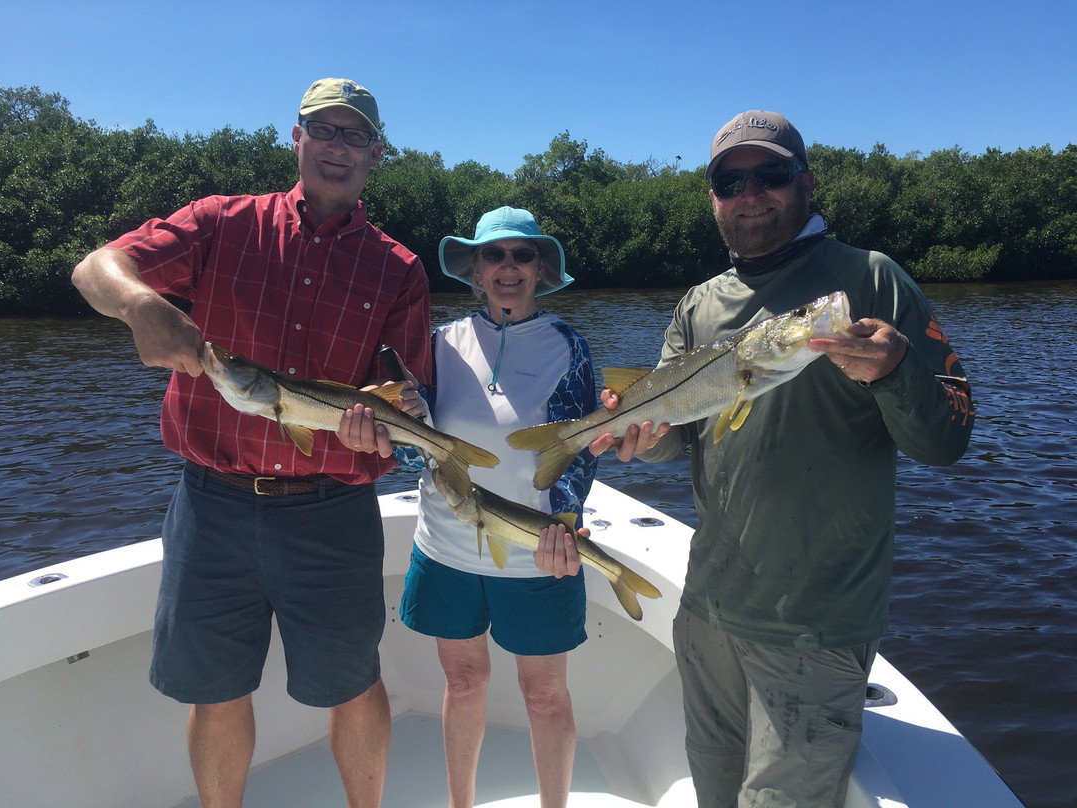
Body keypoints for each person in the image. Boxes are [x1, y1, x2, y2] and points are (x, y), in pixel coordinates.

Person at [565, 111, 976, 808]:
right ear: (714, 198)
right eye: (731, 180)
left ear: (806, 182)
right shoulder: (701, 304)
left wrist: (894, 369)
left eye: (771, 174)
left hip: (817, 623)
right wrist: (635, 435)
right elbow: (676, 439)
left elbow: (948, 439)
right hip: (709, 611)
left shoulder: (871, 280)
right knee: (715, 792)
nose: (750, 192)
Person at [71, 78, 432, 808]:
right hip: (212, 507)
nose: (337, 146)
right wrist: (142, 304)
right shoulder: (221, 223)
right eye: (322, 130)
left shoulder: (398, 268)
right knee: (215, 690)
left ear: (376, 153)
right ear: (295, 137)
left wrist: (390, 420)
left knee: (354, 683)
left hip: (333, 511)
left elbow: (405, 393)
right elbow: (95, 268)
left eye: (354, 135)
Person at [346, 206, 597, 808]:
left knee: (545, 697)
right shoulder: (436, 345)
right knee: (463, 682)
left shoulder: (570, 346)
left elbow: (579, 450)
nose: (508, 268)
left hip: (536, 554)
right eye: (494, 255)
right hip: (446, 548)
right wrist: (398, 422)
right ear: (476, 270)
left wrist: (565, 525)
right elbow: (417, 458)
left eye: (522, 255)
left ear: (540, 269)